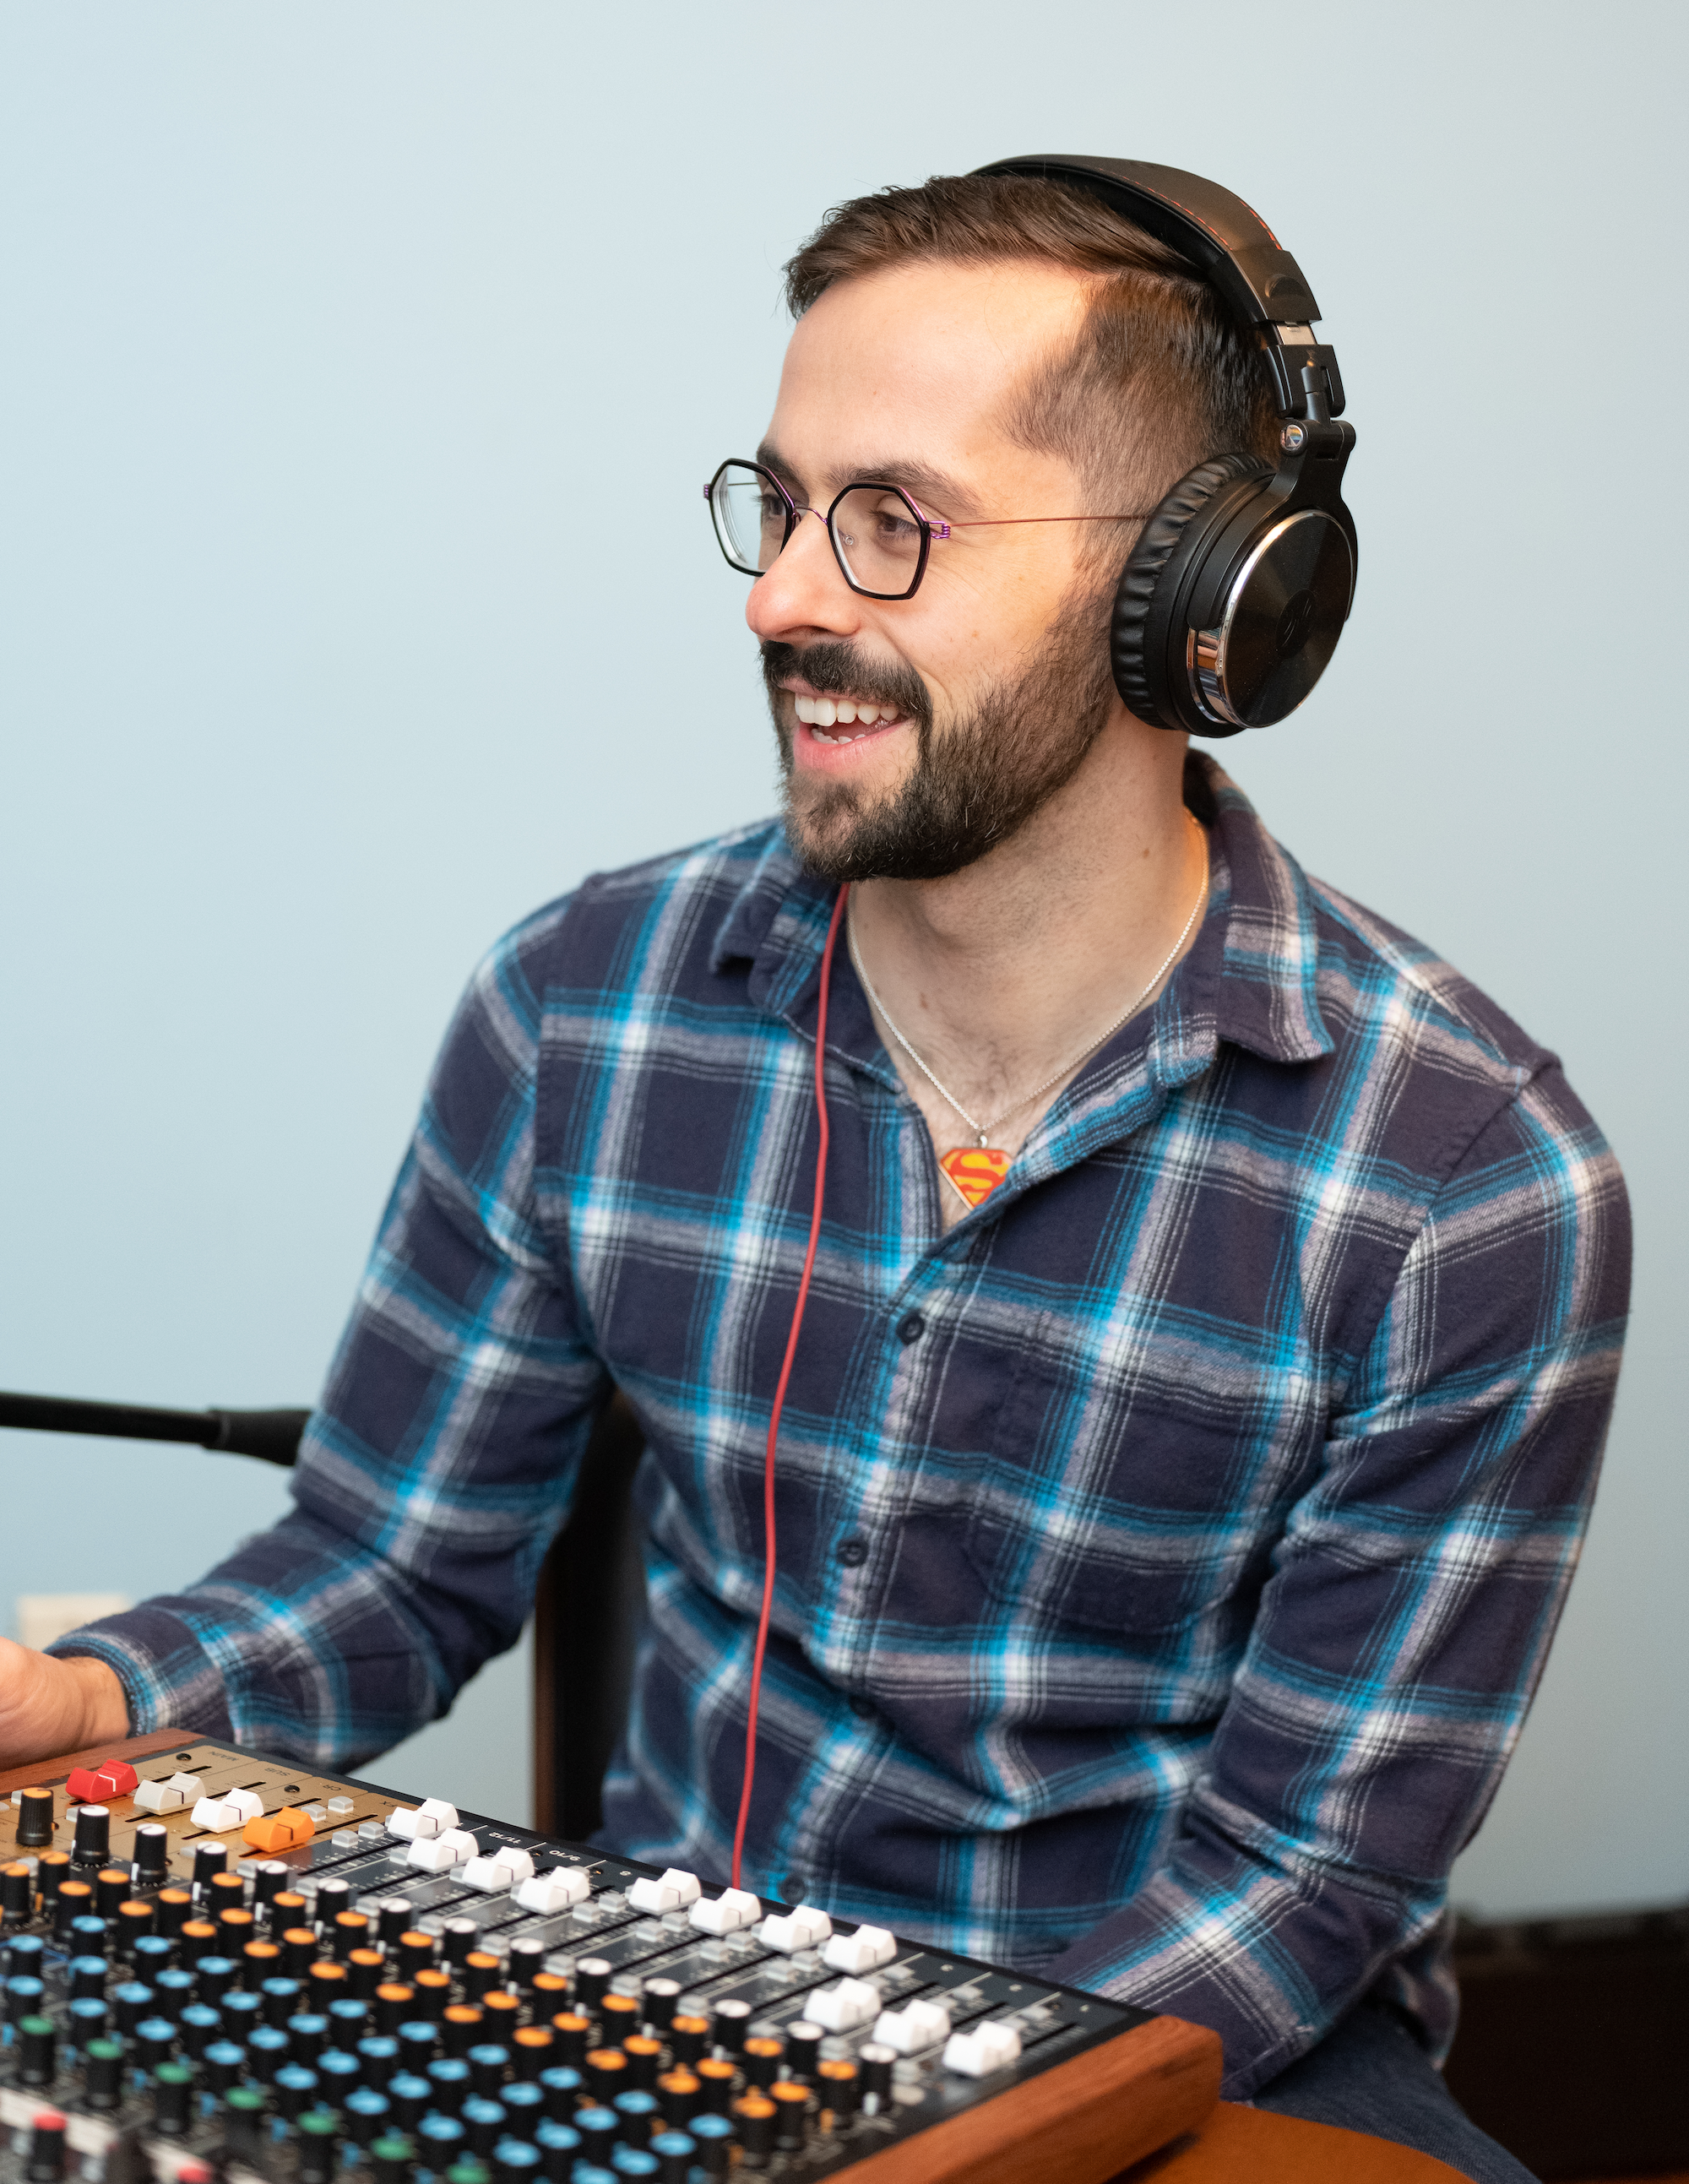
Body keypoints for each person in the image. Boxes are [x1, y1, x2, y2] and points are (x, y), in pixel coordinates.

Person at [0, 170, 1627, 2181]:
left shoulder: (1469, 1185)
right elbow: (396, 1560)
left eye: (893, 525)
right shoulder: (581, 1009)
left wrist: (918, 2120)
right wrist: (92, 1705)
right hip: (664, 1997)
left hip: (1201, 2048)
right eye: (777, 510)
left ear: (1201, 595)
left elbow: (1297, 1879)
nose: (781, 599)